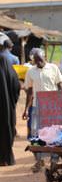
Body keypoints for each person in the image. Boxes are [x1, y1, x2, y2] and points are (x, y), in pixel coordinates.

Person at [22, 48, 62, 172]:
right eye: (36, 61)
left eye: (40, 60)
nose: (38, 63)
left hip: (53, 107)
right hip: (37, 106)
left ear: (45, 57)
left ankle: (54, 161)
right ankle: (39, 161)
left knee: (54, 133)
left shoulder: (53, 68)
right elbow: (29, 91)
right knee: (35, 135)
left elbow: (60, 85)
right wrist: (26, 109)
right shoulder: (30, 71)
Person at [0, 35, 21, 166]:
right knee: (7, 129)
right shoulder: (10, 67)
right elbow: (17, 86)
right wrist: (12, 101)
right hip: (8, 108)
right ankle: (7, 158)